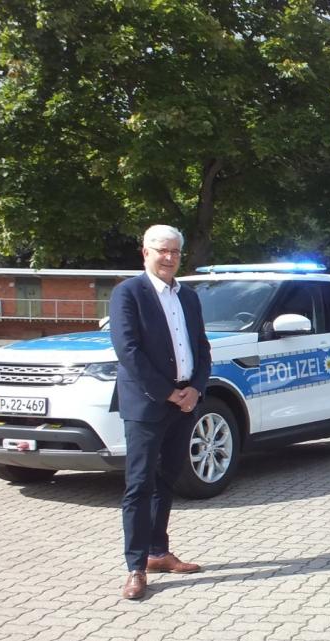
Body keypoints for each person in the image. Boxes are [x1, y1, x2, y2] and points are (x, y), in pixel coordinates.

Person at [110, 224, 211, 600]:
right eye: (161, 251)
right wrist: (169, 392)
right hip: (147, 404)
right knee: (139, 485)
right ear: (145, 253)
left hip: (184, 403)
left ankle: (158, 552)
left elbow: (201, 346)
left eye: (174, 252)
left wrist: (196, 389)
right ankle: (135, 567)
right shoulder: (128, 293)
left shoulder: (189, 296)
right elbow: (128, 351)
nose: (168, 258)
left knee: (167, 479)